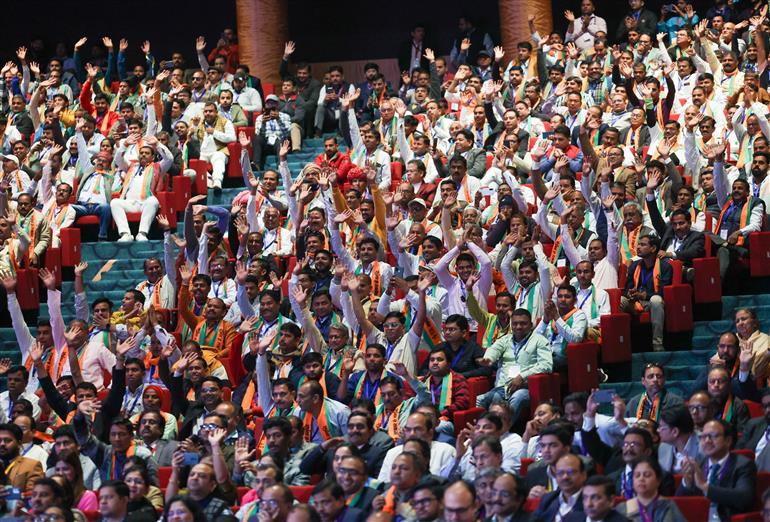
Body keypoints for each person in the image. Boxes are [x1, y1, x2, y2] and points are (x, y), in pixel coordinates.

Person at [476, 308, 552, 420]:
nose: (518, 327)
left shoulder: (539, 340)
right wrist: (488, 358)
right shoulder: (505, 340)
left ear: (531, 324)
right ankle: (480, 431)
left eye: (523, 323)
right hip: (503, 387)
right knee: (480, 399)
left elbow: (547, 365)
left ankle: (501, 431)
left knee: (517, 397)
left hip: (526, 388)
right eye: (515, 324)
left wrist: (522, 376)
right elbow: (493, 350)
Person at [676, 419, 756, 520]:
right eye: (703, 437)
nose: (707, 441)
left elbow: (744, 499)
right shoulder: (699, 464)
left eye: (713, 436)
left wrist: (705, 487)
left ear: (728, 441)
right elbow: (678, 505)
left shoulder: (743, 465)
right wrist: (686, 482)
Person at [620, 235, 672, 351]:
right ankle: (621, 343)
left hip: (652, 303)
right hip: (636, 302)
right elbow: (626, 288)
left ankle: (657, 344)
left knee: (656, 300)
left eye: (643, 245)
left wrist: (645, 295)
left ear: (653, 248)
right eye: (638, 244)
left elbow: (664, 292)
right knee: (620, 301)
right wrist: (630, 293)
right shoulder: (634, 265)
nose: (638, 247)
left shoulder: (665, 266)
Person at [617, 457, 686, 521]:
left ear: (658, 480)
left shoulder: (668, 506)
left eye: (647, 475)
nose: (641, 479)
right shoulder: (623, 508)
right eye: (637, 475)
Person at [529, 453, 587, 522]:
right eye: (560, 473)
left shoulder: (590, 501)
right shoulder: (548, 499)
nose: (565, 477)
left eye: (571, 472)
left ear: (583, 475)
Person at [657, 405, 702, 474]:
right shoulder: (663, 447)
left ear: (675, 432)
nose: (658, 430)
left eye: (661, 427)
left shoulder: (704, 446)